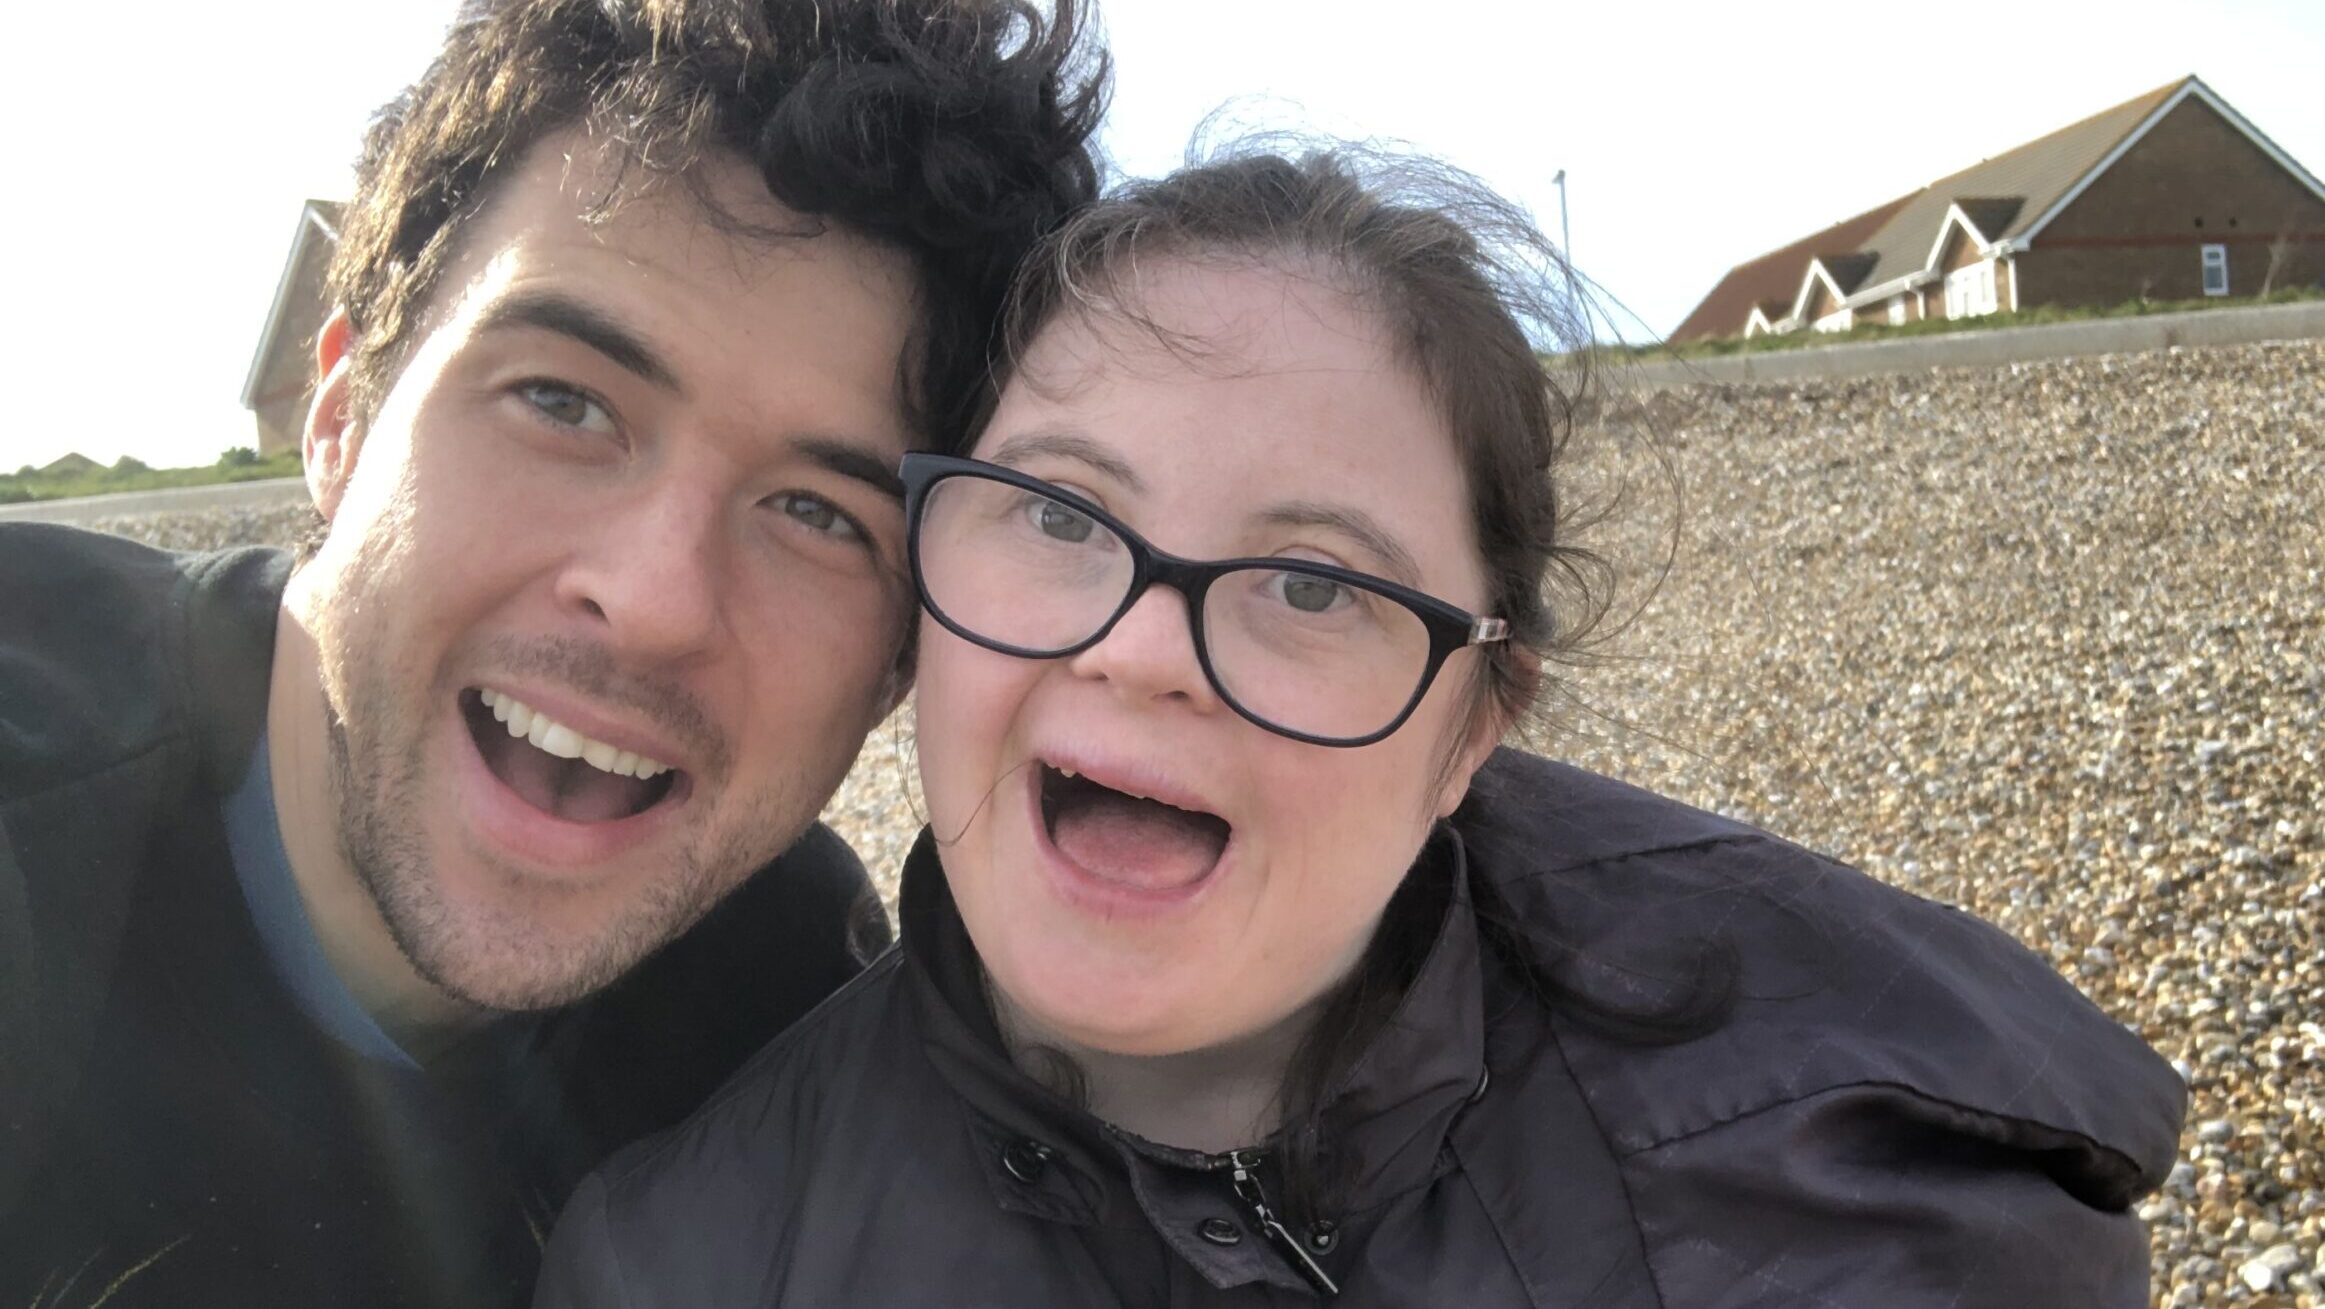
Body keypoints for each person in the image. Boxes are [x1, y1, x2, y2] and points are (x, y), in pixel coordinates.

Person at [536, 145, 2188, 1306]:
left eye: (1313, 584)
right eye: (1054, 514)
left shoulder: (1847, 1197)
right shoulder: (687, 1262)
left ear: (1475, 724)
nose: (1139, 647)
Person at [0, 0, 1102, 1303]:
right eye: (563, 402)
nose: (653, 601)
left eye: (817, 513)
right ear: (342, 414)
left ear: (896, 666)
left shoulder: (793, 1018)